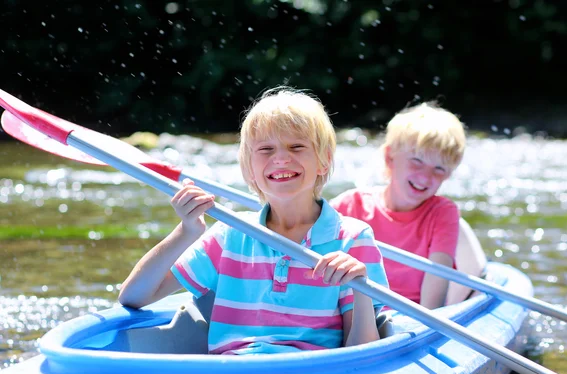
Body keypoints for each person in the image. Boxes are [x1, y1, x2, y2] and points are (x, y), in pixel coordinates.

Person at [118, 87, 389, 355]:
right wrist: (187, 231)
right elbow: (134, 296)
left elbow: (363, 353)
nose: (281, 158)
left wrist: (360, 287)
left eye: (296, 146)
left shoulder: (353, 238)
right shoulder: (230, 234)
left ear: (324, 161)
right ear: (249, 168)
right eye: (266, 149)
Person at [331, 101, 485, 309]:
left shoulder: (443, 214)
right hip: (355, 318)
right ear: (390, 157)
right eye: (417, 161)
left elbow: (434, 293)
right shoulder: (350, 206)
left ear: (448, 174)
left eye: (439, 168)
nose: (425, 176)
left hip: (412, 321)